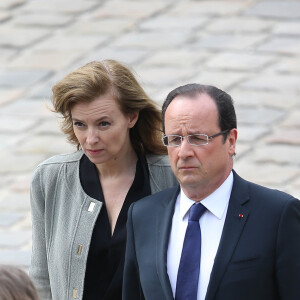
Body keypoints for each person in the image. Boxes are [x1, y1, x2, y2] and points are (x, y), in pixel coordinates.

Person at [123, 83, 300, 300]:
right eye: (175, 140)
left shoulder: (277, 215)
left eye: (198, 138)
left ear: (231, 141)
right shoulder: (143, 216)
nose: (184, 152)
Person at [29, 60, 177, 300]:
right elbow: (41, 277)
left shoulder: (172, 177)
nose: (90, 139)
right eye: (80, 124)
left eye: (103, 124)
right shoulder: (49, 178)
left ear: (132, 117)